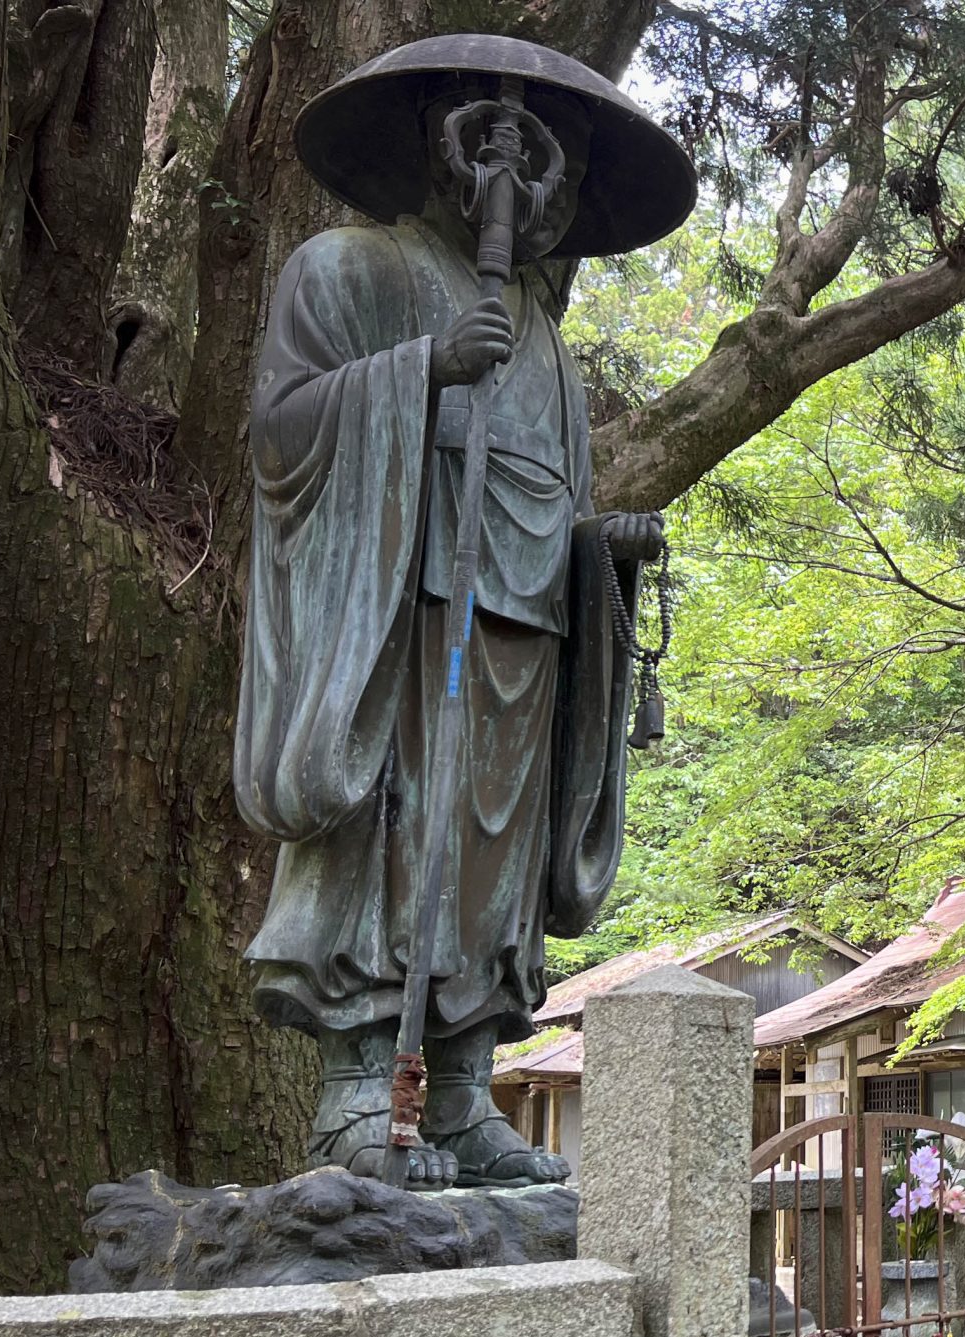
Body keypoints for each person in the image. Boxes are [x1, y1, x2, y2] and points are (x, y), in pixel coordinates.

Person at [235, 38, 695, 1186]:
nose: (525, 186)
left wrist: (603, 550)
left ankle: (460, 1093)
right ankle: (357, 1093)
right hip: (400, 612)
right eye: (506, 152)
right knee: (391, 832)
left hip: (523, 623)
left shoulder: (546, 341)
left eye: (553, 166)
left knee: (493, 854)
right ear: (444, 148)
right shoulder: (348, 270)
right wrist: (420, 369)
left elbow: (560, 501)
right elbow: (279, 437)